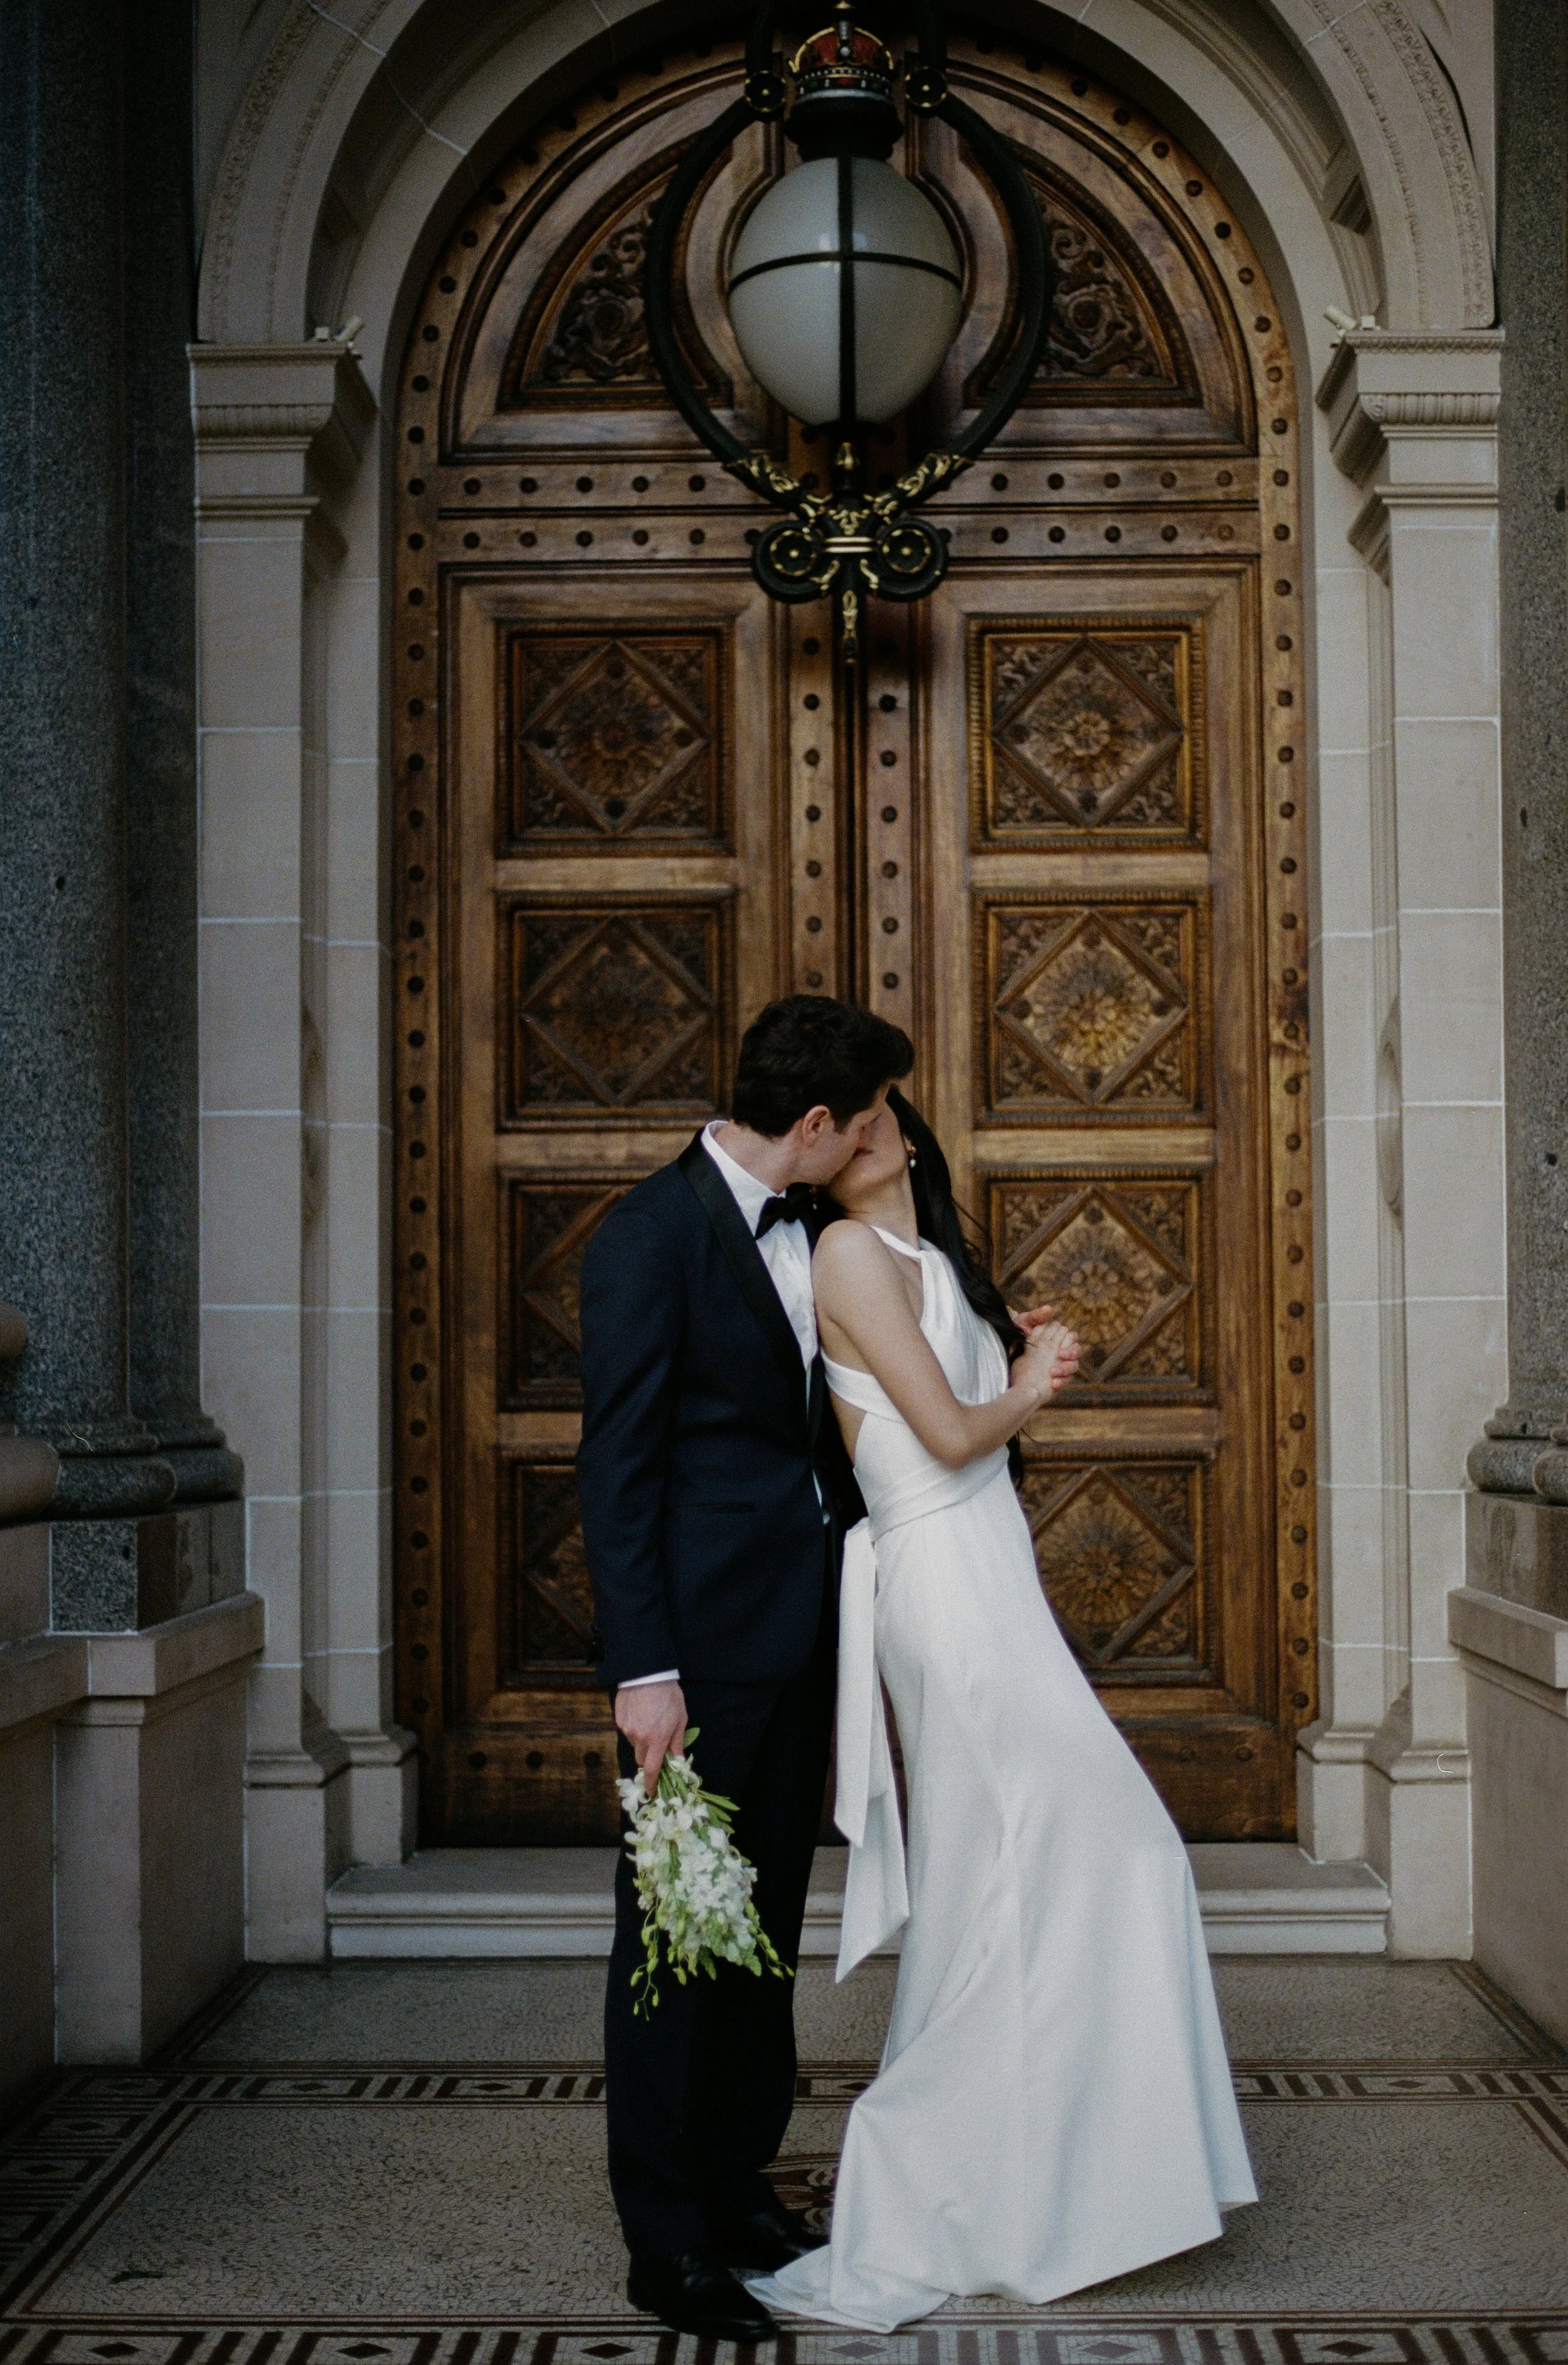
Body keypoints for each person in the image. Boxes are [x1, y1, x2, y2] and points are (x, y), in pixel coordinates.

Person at [746, 1087, 1258, 2332]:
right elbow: (945, 1432)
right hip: (941, 1586)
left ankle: (1030, 2183)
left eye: (870, 1111)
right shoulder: (845, 1249)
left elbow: (958, 1404)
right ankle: (934, 2172)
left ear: (908, 1136)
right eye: (835, 1120)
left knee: (1007, 1877)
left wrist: (1011, 1348)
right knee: (1107, 1847)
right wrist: (1025, 1382)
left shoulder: (916, 1258)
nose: (849, 1129)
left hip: (990, 1575)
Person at [578, 994, 919, 2343]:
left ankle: (735, 2186)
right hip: (694, 1658)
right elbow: (616, 1468)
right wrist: (642, 1668)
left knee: (761, 1930)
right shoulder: (648, 1236)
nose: (886, 1135)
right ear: (819, 1123)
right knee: (673, 1943)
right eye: (873, 1117)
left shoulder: (826, 1233)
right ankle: (665, 2241)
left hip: (800, 1636)